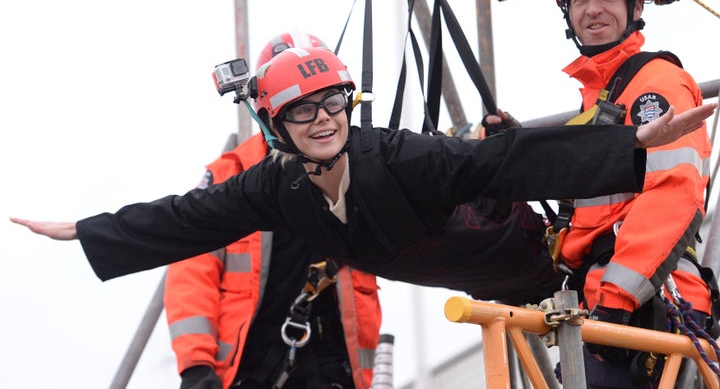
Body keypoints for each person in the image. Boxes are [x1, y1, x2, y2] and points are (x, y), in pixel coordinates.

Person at [10, 47, 715, 300]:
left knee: (496, 185)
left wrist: (631, 145)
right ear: (274, 129)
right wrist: (86, 229)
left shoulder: (404, 156)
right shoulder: (273, 187)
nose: (324, 120)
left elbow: (502, 160)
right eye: (302, 112)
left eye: (333, 103)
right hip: (470, 278)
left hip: (519, 256)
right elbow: (188, 219)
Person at [547, 0, 717, 387]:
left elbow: (672, 195)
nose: (592, 9)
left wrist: (617, 299)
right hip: (604, 307)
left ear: (636, 6)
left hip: (648, 308)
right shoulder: (597, 98)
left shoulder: (655, 84)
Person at [164, 32, 382, 389]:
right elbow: (192, 272)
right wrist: (196, 364)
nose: (316, 116)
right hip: (253, 366)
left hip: (335, 367)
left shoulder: (363, 169)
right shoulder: (231, 175)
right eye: (298, 104)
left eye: (324, 99)